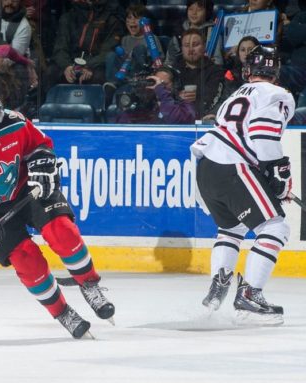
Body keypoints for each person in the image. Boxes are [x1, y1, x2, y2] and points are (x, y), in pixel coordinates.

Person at [0, 82, 115, 338]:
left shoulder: (13, 121)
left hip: (27, 191)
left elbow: (40, 145)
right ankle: (62, 311)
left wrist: (43, 158)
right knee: (28, 261)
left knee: (62, 231)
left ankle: (89, 284)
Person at [190, 45, 295, 325]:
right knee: (274, 226)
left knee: (231, 228)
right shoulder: (278, 94)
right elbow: (262, 135)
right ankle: (250, 295)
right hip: (232, 166)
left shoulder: (235, 94)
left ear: (248, 70)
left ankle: (219, 283)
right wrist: (280, 175)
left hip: (207, 167)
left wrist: (270, 176)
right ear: (276, 71)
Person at [110, 66, 196, 124]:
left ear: (175, 85)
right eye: (156, 83)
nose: (159, 87)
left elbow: (176, 120)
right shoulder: (149, 104)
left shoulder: (185, 104)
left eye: (164, 84)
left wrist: (162, 94)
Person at [175, 28, 224, 121]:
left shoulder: (215, 71)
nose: (190, 49)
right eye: (186, 45)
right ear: (181, 48)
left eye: (195, 45)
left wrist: (197, 96)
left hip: (202, 120)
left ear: (204, 46)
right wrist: (178, 97)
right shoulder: (173, 70)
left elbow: (214, 97)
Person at [164, 0, 223, 68]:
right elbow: (169, 60)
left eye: (199, 10)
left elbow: (218, 62)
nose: (194, 13)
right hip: (181, 71)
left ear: (207, 11)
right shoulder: (179, 30)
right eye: (191, 9)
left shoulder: (213, 31)